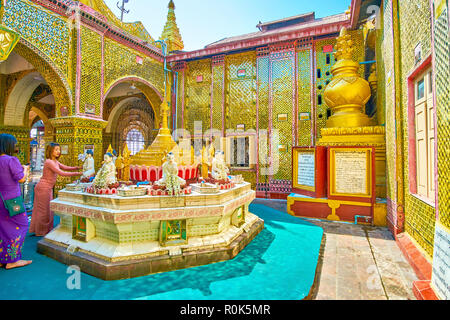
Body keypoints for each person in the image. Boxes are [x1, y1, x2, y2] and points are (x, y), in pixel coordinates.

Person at [29, 143, 82, 237]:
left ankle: (45, 230)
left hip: (48, 188)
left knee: (48, 210)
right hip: (43, 188)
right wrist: (79, 173)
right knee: (43, 211)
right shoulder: (49, 162)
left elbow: (65, 167)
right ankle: (40, 231)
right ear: (50, 151)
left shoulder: (55, 161)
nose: (58, 152)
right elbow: (61, 173)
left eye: (59, 149)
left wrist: (78, 167)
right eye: (56, 149)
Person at [0, 133, 32, 269]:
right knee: (22, 225)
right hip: (12, 202)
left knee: (2, 229)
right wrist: (25, 169)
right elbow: (21, 179)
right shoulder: (11, 160)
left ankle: (2, 258)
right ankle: (13, 259)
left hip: (1, 200)